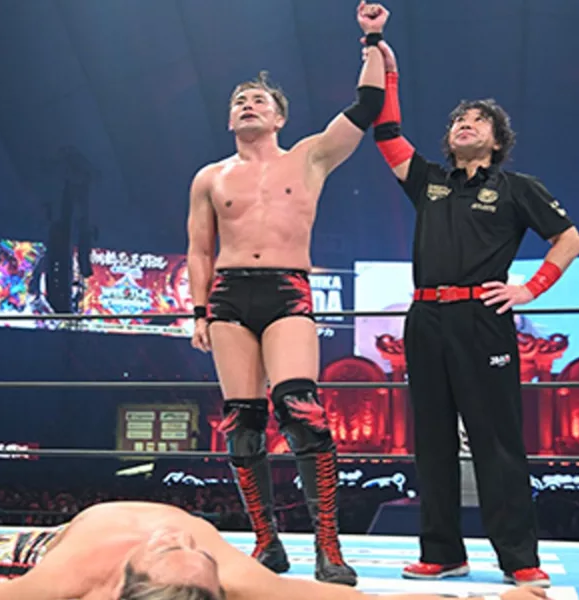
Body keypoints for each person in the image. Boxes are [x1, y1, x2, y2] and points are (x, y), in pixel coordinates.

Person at [186, 1, 389, 587]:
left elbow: (368, 105)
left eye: (258, 99)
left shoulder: (310, 157)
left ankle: (329, 546)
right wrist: (198, 313)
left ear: (279, 117)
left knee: (302, 410)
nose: (247, 104)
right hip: (228, 297)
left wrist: (371, 39)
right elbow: (198, 250)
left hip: (287, 289)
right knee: (241, 423)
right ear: (230, 120)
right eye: (238, 101)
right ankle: (266, 542)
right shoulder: (210, 176)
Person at [366, 38, 579, 587]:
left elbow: (569, 239)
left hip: (482, 319)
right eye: (459, 119)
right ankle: (442, 552)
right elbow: (386, 135)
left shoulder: (517, 188)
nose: (465, 123)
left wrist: (530, 289)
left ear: (497, 139)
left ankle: (518, 557)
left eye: (478, 120)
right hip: (425, 320)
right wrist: (386, 69)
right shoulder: (430, 182)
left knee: (496, 438)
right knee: (432, 439)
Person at [0, 500, 555, 600]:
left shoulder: (68, 577)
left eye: (168, 545)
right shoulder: (236, 579)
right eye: (184, 546)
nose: (178, 533)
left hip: (49, 544)